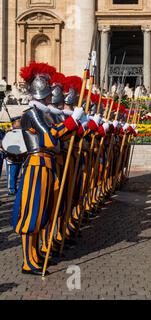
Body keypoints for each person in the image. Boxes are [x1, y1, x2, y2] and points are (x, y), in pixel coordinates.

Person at [12, 62, 84, 275]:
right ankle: (28, 260)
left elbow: (60, 137)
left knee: (45, 211)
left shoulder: (44, 113)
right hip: (37, 165)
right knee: (32, 213)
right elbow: (49, 137)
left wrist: (76, 126)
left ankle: (35, 253)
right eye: (48, 96)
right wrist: (72, 122)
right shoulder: (33, 114)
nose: (51, 99)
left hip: (48, 164)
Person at [5, 116, 24, 196]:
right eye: (18, 121)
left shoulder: (22, 131)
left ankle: (16, 188)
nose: (19, 122)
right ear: (14, 123)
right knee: (12, 174)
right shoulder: (9, 132)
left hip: (20, 156)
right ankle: (11, 189)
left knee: (17, 174)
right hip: (11, 157)